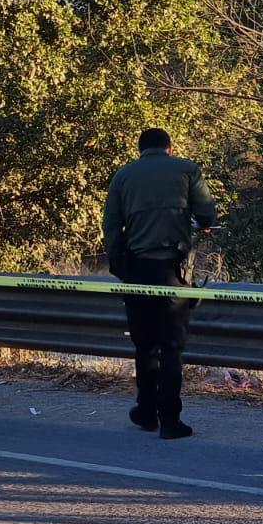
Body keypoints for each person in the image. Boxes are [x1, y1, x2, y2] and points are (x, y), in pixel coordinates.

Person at [101, 127, 218, 440]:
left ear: (141, 150)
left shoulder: (123, 176)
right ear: (170, 148)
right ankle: (170, 419)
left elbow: (111, 226)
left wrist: (121, 266)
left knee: (144, 345)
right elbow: (207, 214)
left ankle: (146, 411)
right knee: (170, 347)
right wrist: (199, 223)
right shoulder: (187, 170)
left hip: (137, 272)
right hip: (172, 272)